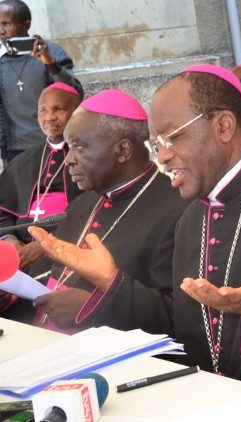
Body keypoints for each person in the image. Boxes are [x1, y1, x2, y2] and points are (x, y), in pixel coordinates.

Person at [30, 64, 241, 400]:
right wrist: (111, 285)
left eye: (172, 137)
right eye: (155, 144)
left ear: (223, 126)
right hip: (209, 399)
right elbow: (182, 329)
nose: (162, 156)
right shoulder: (193, 216)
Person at [25, 89, 190, 334]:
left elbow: (180, 317)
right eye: (69, 147)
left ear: (123, 150)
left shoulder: (180, 211)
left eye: (79, 147)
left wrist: (94, 308)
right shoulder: (82, 205)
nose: (68, 159)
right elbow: (55, 275)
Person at [0, 82, 82, 267]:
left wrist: (48, 244)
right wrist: (9, 239)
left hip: (67, 248)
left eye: (58, 109)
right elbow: (2, 211)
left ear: (75, 112)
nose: (49, 117)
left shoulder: (88, 158)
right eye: (43, 111)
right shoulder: (23, 161)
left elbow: (95, 209)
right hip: (20, 249)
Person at [0, 0, 82, 162]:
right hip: (16, 151)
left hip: (56, 144)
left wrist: (50, 62)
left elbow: (74, 93)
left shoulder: (52, 52)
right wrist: (3, 146)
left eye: (6, 24)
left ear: (26, 25)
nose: (1, 30)